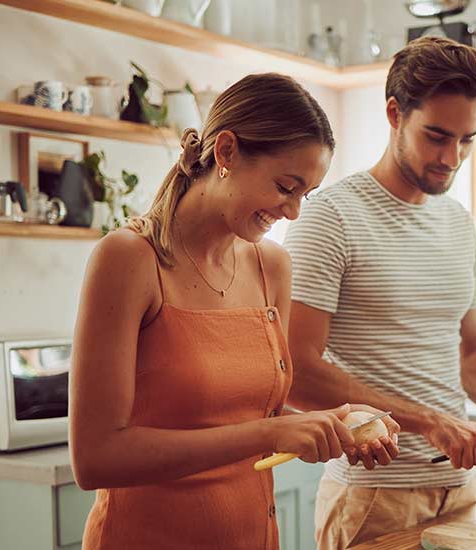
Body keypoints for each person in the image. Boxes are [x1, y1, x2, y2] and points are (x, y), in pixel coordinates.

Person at [69, 72, 399, 550]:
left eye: (304, 195)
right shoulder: (128, 259)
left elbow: (247, 411)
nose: (293, 213)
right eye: (285, 186)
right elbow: (96, 457)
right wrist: (274, 431)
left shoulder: (271, 267)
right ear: (225, 152)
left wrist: (335, 422)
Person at [283, 36, 476, 549]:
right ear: (395, 114)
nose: (451, 157)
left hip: (460, 492)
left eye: (467, 139)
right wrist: (431, 423)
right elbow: (295, 372)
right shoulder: (331, 217)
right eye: (436, 136)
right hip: (372, 497)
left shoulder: (458, 224)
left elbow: (472, 347)